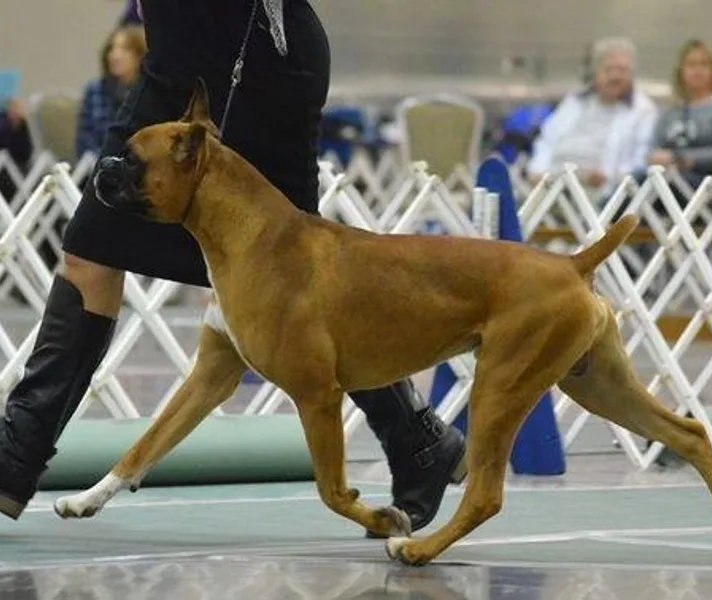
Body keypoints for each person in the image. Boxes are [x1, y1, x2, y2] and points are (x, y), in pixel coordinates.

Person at [0, 0, 465, 537]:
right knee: (101, 251)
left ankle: (418, 441)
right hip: (213, 58)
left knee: (290, 280)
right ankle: (17, 457)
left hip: (240, 61)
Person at [527, 37, 657, 197]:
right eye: (609, 69)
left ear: (632, 75)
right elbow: (546, 141)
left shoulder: (644, 110)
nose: (615, 76)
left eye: (622, 70)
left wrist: (608, 177)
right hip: (553, 185)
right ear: (595, 72)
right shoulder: (573, 102)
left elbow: (641, 161)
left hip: (604, 194)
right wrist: (537, 171)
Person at [646, 39, 712, 190]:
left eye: (704, 64)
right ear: (681, 71)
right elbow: (654, 148)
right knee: (638, 179)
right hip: (668, 177)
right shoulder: (671, 110)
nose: (697, 70)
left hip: (710, 183)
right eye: (691, 65)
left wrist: (680, 159)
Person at [76, 25, 147, 158]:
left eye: (125, 49)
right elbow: (84, 140)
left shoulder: (147, 94)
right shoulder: (94, 90)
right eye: (112, 49)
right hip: (98, 164)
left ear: (140, 56)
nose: (115, 55)